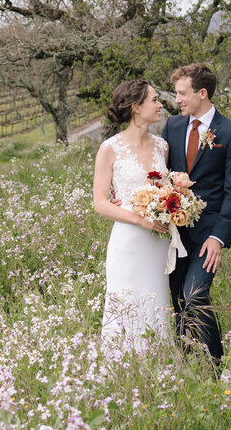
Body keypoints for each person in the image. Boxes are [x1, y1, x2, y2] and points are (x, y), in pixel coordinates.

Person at [161, 63, 231, 366]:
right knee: (178, 303)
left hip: (208, 235)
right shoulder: (172, 126)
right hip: (174, 235)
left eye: (182, 93)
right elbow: (161, 176)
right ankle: (187, 363)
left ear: (202, 93)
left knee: (195, 295)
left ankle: (217, 366)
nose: (177, 99)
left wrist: (218, 238)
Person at [92, 80, 172, 347]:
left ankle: (158, 365)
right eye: (154, 100)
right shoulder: (109, 148)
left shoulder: (163, 146)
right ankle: (120, 366)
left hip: (158, 242)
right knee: (124, 302)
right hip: (128, 240)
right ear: (136, 107)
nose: (160, 105)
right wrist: (140, 220)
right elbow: (100, 203)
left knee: (156, 300)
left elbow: (166, 189)